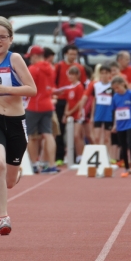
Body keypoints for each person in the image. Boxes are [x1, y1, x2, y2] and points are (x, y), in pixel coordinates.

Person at [0, 17, 37, 236]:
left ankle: (16, 173)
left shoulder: (15, 59)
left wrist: (7, 90)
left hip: (16, 123)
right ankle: (3, 218)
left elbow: (32, 89)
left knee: (9, 182)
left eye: (2, 37)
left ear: (10, 39)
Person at [24, 45, 59, 174]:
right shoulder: (51, 68)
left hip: (34, 104)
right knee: (48, 134)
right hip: (48, 104)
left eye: (30, 57)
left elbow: (28, 87)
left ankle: (34, 164)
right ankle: (51, 164)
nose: (30, 60)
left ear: (35, 56)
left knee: (31, 135)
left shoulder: (33, 69)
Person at [54, 45, 87, 162]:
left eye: (75, 54)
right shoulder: (59, 66)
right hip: (61, 101)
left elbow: (83, 84)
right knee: (60, 130)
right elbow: (54, 82)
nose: (73, 56)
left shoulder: (80, 68)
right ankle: (59, 156)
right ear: (65, 54)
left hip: (74, 100)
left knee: (75, 133)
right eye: (71, 54)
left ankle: (76, 156)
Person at [59, 66, 87, 162]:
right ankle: (71, 156)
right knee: (70, 136)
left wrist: (70, 112)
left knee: (77, 135)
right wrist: (65, 114)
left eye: (72, 75)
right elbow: (68, 101)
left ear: (77, 76)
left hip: (78, 114)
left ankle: (80, 156)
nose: (70, 77)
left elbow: (79, 101)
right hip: (71, 115)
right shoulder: (69, 87)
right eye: (69, 75)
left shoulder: (79, 86)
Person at [87, 65, 114, 160]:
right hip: (98, 114)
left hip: (109, 114)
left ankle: (107, 157)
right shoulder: (96, 86)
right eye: (102, 73)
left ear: (110, 74)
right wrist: (92, 116)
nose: (104, 75)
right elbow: (94, 101)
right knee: (97, 137)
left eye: (106, 73)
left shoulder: (112, 86)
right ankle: (98, 157)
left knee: (107, 138)